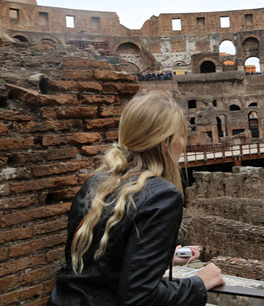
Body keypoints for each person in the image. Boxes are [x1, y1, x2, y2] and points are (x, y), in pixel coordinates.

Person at [48, 93, 224, 306]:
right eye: (181, 135)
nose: (183, 143)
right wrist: (199, 283)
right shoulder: (162, 196)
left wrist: (162, 257)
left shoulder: (96, 182)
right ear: (165, 143)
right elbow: (138, 299)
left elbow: (100, 266)